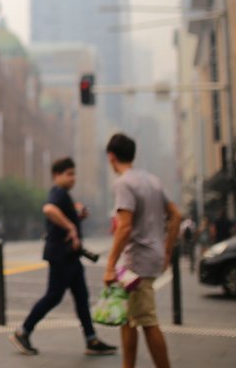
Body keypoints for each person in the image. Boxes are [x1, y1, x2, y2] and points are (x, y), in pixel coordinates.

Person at [9, 157, 117, 356]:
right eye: (69, 174)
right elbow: (48, 209)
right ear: (56, 175)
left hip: (70, 257)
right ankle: (22, 332)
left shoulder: (63, 194)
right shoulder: (58, 193)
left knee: (82, 297)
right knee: (54, 296)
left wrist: (77, 218)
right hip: (61, 256)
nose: (73, 178)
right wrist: (71, 227)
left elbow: (59, 214)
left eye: (74, 174)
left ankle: (91, 339)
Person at [103, 133, 182, 368]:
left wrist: (109, 266)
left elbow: (124, 227)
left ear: (111, 157)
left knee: (147, 320)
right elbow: (176, 216)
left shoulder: (123, 183)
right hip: (150, 257)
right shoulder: (152, 180)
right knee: (129, 318)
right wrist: (167, 251)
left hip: (136, 262)